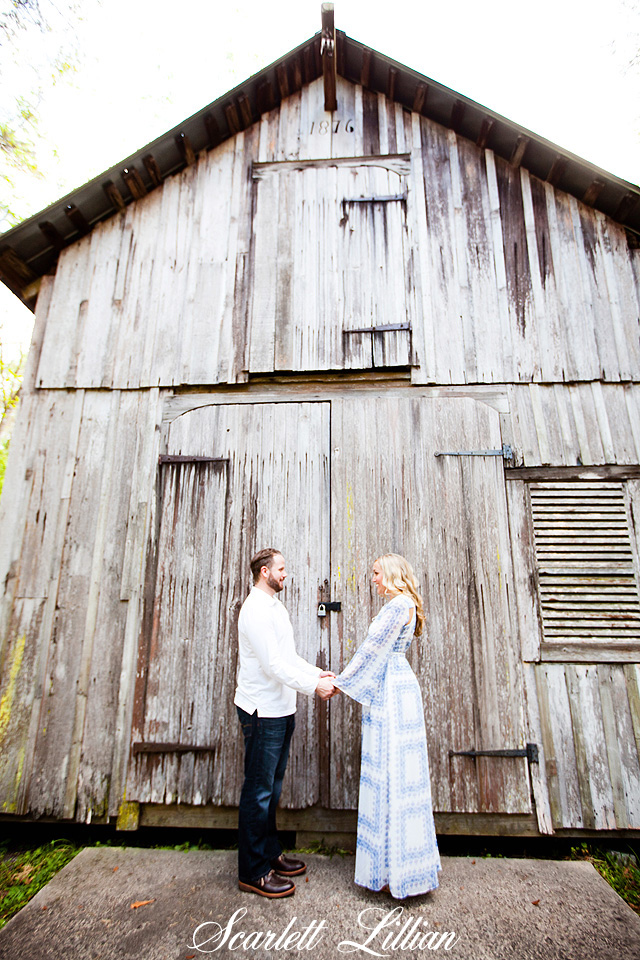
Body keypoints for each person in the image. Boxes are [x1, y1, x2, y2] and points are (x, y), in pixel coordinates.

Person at [333, 553, 441, 899]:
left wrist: (341, 682)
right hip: (395, 684)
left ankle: (398, 869)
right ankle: (394, 867)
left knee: (393, 773)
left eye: (377, 573)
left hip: (392, 689)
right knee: (396, 774)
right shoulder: (402, 604)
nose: (374, 579)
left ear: (392, 574)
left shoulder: (398, 606)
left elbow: (372, 649)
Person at [234, 548, 335, 899]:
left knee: (271, 790)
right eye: (281, 569)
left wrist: (316, 673)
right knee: (258, 793)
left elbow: (288, 658)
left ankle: (270, 852)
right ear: (265, 572)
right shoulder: (256, 611)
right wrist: (314, 687)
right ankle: (253, 871)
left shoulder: (275, 608)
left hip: (281, 710)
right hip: (262, 712)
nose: (285, 574)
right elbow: (272, 666)